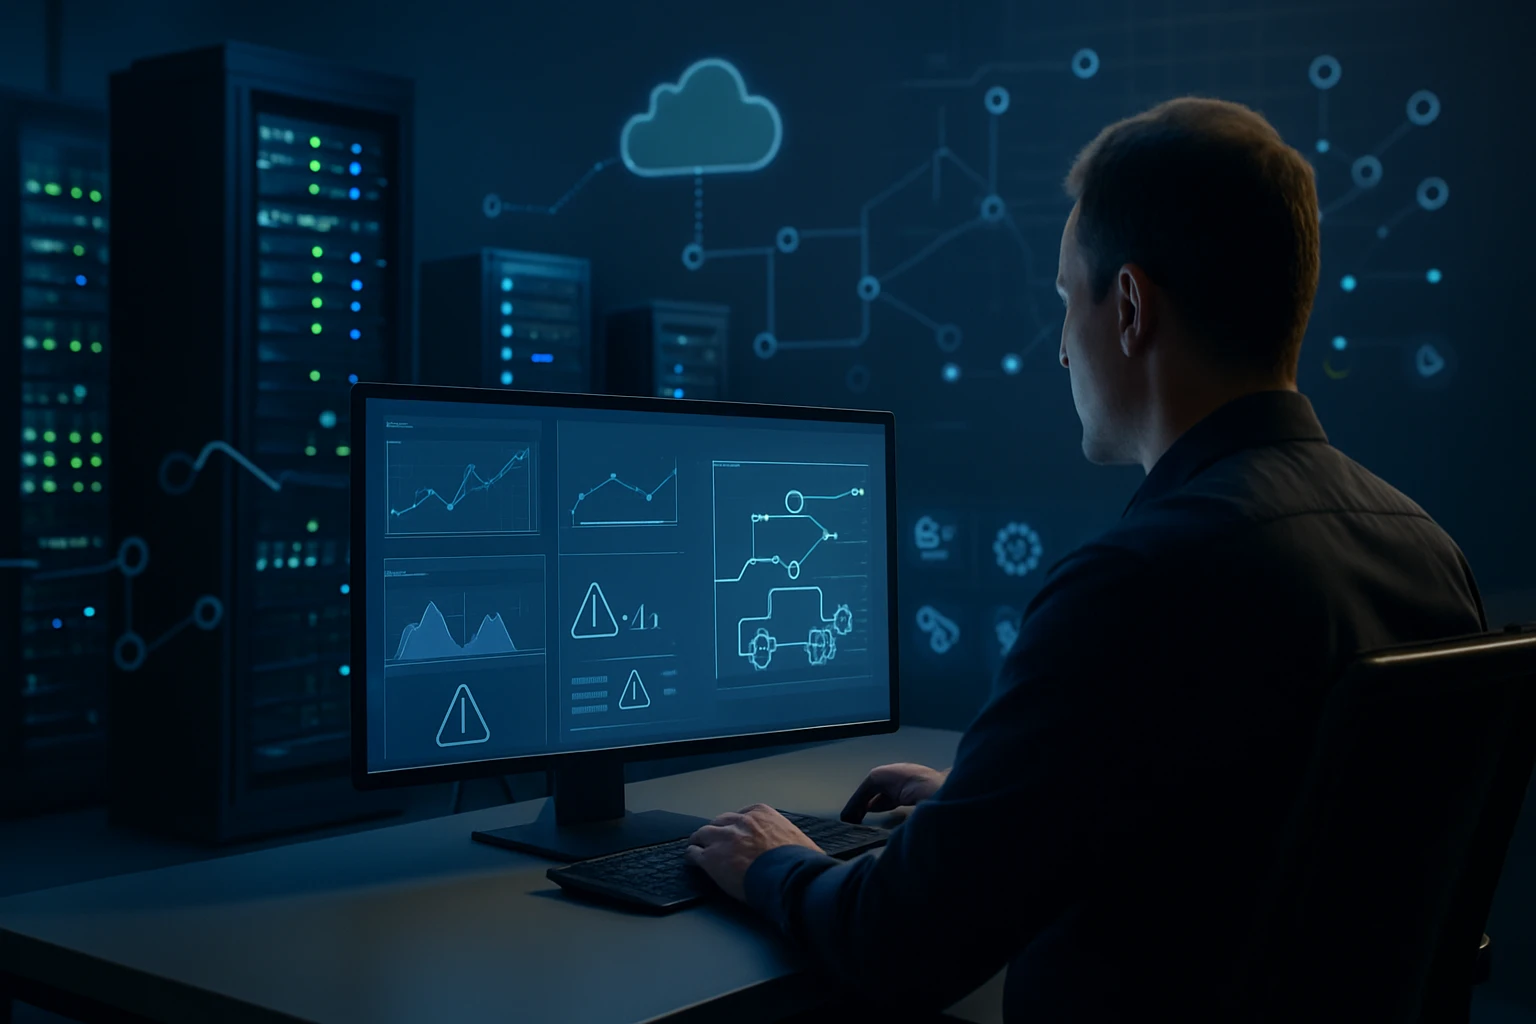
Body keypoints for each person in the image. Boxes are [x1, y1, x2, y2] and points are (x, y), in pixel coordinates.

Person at [683, 96, 1486, 1019]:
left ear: (1131, 306)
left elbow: (896, 942)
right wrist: (1004, 808)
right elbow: (1258, 827)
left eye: (1068, 301)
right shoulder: (1428, 553)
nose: (1063, 351)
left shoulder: (1139, 584)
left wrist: (773, 862)